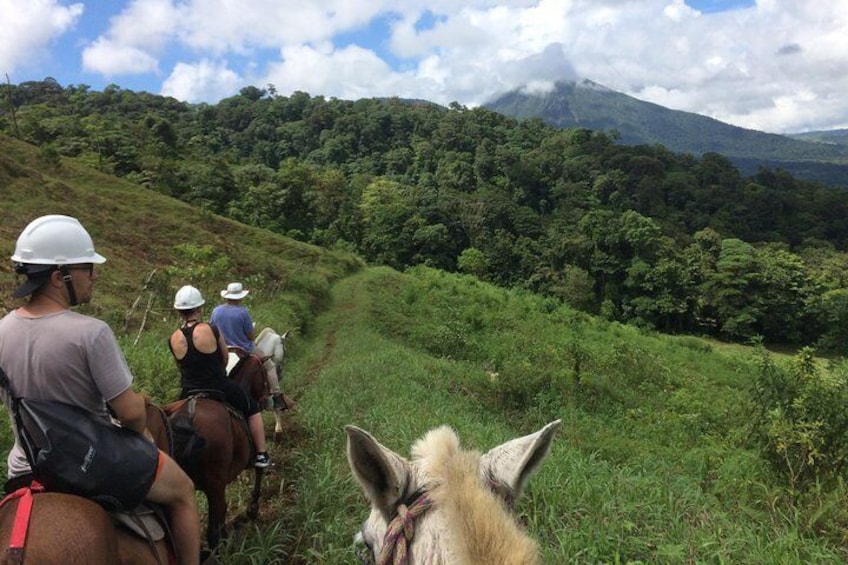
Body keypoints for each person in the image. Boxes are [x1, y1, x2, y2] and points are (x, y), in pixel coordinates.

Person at [0, 214, 200, 565]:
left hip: (26, 464)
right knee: (183, 490)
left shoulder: (1, 330)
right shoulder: (90, 332)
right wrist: (141, 429)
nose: (93, 276)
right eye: (86, 268)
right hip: (92, 462)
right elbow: (131, 413)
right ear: (57, 277)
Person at [168, 285, 271, 468]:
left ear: (178, 311)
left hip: (188, 390)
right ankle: (262, 454)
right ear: (199, 308)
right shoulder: (211, 329)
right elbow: (224, 358)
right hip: (217, 385)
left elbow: (180, 366)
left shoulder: (173, 338)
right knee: (253, 408)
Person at [209, 282, 285, 409]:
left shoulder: (216, 311)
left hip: (221, 349)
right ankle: (276, 396)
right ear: (240, 297)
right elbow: (250, 336)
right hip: (243, 348)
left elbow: (212, 330)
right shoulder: (243, 313)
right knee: (270, 365)